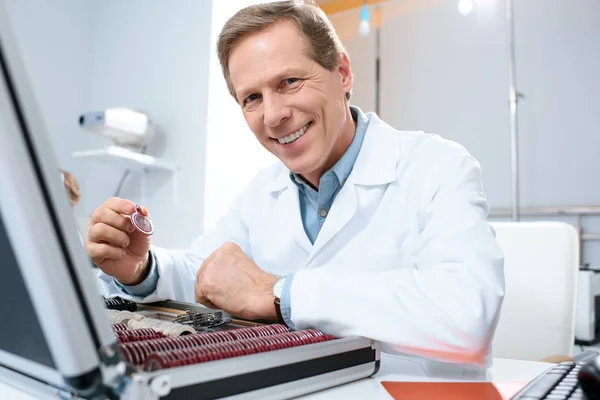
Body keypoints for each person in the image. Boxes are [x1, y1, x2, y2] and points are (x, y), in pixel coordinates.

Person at [88, 0, 504, 376]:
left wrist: (279, 294)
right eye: (252, 97)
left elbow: (467, 314)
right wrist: (142, 269)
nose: (273, 115)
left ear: (342, 72)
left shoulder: (437, 167)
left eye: (289, 82)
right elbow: (209, 272)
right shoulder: (262, 192)